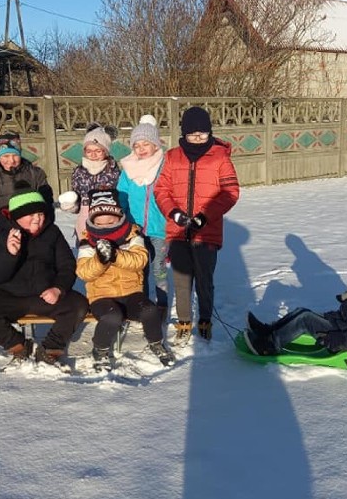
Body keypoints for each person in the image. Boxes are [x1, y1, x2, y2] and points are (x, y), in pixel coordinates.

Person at [0, 181, 89, 364]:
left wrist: (58, 288)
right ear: (16, 216)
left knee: (78, 304)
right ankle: (19, 345)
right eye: (30, 214)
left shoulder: (52, 232)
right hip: (8, 295)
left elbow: (67, 265)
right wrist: (10, 254)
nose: (37, 219)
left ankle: (51, 348)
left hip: (44, 294)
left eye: (40, 213)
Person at [154, 106, 240, 341]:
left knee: (204, 280)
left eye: (203, 134)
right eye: (193, 134)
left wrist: (205, 216)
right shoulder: (172, 157)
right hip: (179, 231)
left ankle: (205, 319)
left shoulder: (220, 157)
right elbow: (161, 189)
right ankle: (183, 321)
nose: (198, 138)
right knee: (182, 281)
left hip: (207, 232)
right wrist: (173, 213)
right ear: (184, 134)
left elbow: (230, 191)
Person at [76, 188, 175, 371]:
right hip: (101, 296)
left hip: (131, 293)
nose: (105, 226)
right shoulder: (87, 240)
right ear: (92, 220)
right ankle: (100, 349)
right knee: (112, 316)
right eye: (100, 222)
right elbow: (84, 272)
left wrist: (115, 255)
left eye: (110, 221)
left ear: (119, 216)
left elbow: (140, 260)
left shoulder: (132, 234)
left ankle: (156, 343)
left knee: (149, 310)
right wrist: (101, 259)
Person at [244, 251, 347, 356]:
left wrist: (343, 338)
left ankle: (268, 346)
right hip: (340, 325)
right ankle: (268, 331)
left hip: (342, 339)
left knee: (305, 319)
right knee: (302, 311)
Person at [117, 116, 169, 318]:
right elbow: (121, 195)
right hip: (135, 228)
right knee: (140, 268)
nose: (141, 149)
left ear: (156, 144)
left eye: (145, 144)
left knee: (158, 268)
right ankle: (144, 305)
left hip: (160, 228)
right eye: (136, 145)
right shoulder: (128, 169)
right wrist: (124, 222)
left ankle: (162, 304)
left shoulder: (164, 167)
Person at [0, 132, 52, 234]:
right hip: (4, 231)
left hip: (33, 230)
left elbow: (46, 204)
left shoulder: (35, 173)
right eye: (6, 156)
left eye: (15, 155)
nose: (11, 160)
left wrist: (41, 228)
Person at [62, 126, 121, 245]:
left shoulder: (113, 171)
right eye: (89, 151)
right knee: (86, 253)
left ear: (106, 151)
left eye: (98, 151)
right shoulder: (79, 172)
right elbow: (77, 197)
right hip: (84, 220)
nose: (93, 155)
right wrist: (72, 205)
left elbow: (119, 199)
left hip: (107, 219)